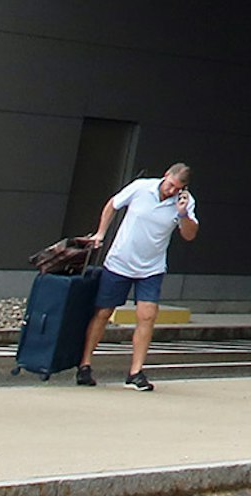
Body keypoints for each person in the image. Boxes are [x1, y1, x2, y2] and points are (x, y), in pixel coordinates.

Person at [79, 161, 198, 390]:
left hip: (151, 267)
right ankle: (85, 364)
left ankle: (136, 371)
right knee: (103, 311)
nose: (171, 191)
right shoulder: (141, 188)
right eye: (170, 185)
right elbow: (113, 204)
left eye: (177, 189)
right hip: (120, 261)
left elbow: (190, 235)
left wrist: (183, 214)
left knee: (147, 315)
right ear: (165, 176)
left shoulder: (184, 203)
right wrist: (101, 233)